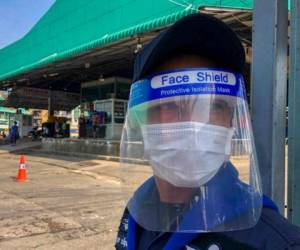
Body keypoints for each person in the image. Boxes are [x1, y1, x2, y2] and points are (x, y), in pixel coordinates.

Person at [115, 13, 300, 250]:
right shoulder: (135, 215)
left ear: (231, 122)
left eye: (215, 105)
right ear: (142, 120)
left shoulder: (275, 242)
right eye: (170, 103)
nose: (195, 124)